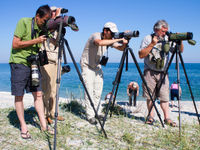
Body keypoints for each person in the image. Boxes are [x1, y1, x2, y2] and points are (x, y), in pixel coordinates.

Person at [9, 5, 53, 139]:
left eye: (48, 20)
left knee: (38, 94)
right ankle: (23, 126)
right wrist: (36, 40)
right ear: (37, 16)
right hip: (19, 62)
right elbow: (15, 44)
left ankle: (44, 126)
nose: (45, 23)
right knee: (19, 95)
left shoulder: (43, 28)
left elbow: (54, 39)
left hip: (34, 63)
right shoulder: (24, 22)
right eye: (44, 20)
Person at [80, 22, 128, 125]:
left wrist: (125, 41)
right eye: (112, 33)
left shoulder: (109, 40)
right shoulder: (96, 35)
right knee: (89, 91)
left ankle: (96, 112)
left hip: (97, 66)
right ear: (105, 31)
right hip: (87, 66)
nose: (113, 35)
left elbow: (121, 48)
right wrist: (119, 39)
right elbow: (99, 43)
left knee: (98, 91)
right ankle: (90, 116)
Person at [138, 20, 184, 127]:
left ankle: (167, 118)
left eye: (166, 31)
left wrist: (179, 41)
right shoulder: (147, 39)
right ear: (156, 30)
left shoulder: (168, 39)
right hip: (149, 71)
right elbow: (141, 55)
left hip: (163, 72)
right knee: (150, 96)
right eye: (163, 31)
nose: (164, 33)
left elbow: (179, 51)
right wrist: (153, 43)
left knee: (164, 97)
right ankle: (150, 116)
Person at [40, 6, 65, 124]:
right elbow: (48, 31)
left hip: (57, 60)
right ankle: (45, 115)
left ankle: (54, 113)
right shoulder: (45, 26)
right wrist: (57, 17)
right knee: (47, 90)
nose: (55, 13)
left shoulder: (57, 27)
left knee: (55, 90)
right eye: (53, 12)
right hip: (47, 61)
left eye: (56, 12)